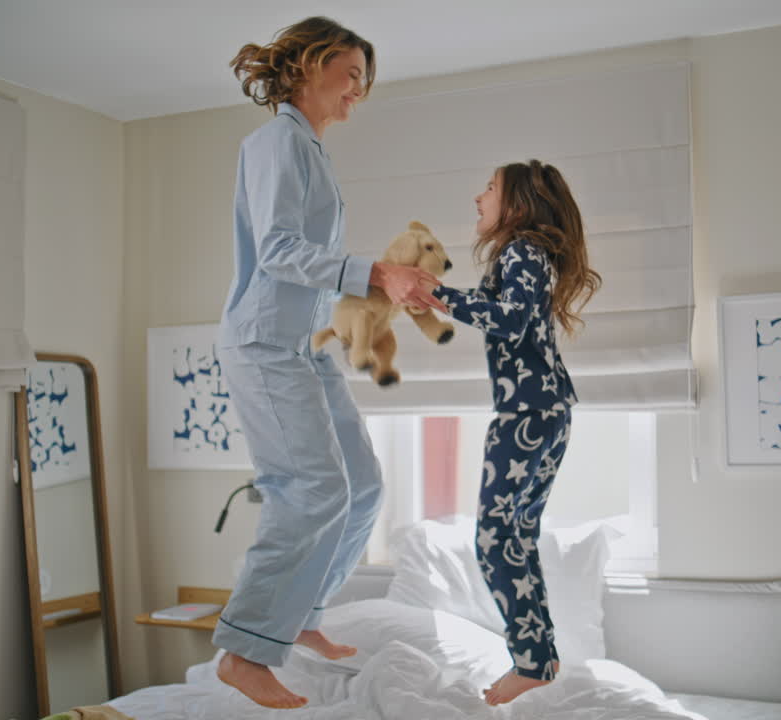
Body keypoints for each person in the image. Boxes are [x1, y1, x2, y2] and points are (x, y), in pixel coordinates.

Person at [213, 16, 446, 710]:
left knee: (363, 488)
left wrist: (388, 281)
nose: (357, 91)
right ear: (311, 66)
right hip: (263, 342)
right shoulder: (276, 143)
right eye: (351, 75)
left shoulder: (310, 149)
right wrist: (373, 271)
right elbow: (281, 249)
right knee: (311, 490)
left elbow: (311, 262)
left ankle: (298, 618)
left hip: (303, 345)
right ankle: (245, 652)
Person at [431, 160, 601, 705]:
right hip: (544, 409)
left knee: (494, 540)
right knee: (515, 537)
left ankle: (532, 660)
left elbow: (509, 319)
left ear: (518, 205)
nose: (478, 197)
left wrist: (441, 297)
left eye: (489, 188)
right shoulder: (530, 253)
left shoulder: (522, 250)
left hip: (528, 413)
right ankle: (537, 659)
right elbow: (515, 316)